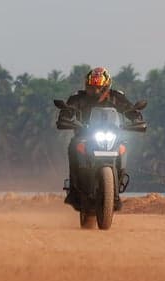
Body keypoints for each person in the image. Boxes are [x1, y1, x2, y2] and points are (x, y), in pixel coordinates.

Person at [56, 66, 143, 206]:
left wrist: (137, 119)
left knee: (123, 148)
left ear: (106, 86)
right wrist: (65, 117)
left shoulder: (116, 97)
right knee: (73, 146)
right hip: (85, 136)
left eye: (98, 88)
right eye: (91, 87)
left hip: (113, 136)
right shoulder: (78, 97)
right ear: (86, 85)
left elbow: (129, 109)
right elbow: (69, 109)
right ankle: (74, 189)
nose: (94, 91)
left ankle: (117, 185)